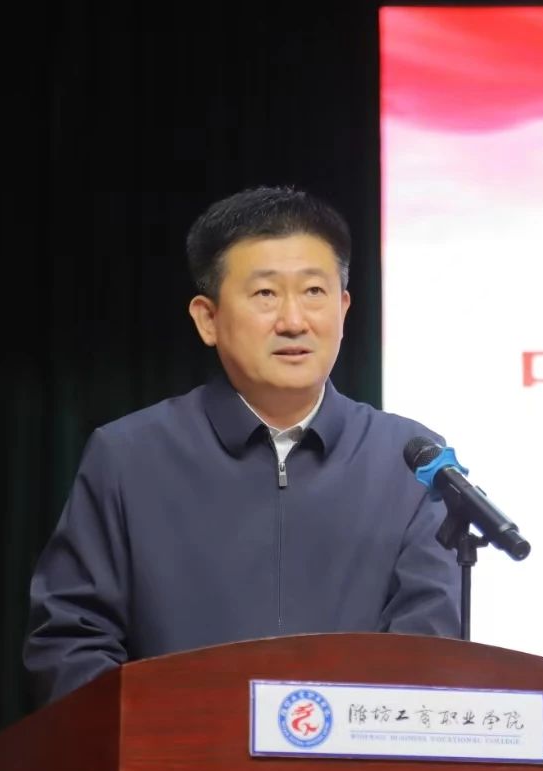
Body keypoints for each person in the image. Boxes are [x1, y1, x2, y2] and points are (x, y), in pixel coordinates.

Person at [23, 186, 461, 705]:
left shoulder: (411, 459)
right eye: (265, 294)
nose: (294, 321)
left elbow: (427, 648)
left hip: (359, 755)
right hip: (177, 753)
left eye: (314, 292)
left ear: (343, 309)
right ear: (207, 319)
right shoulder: (129, 456)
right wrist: (174, 735)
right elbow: (71, 643)